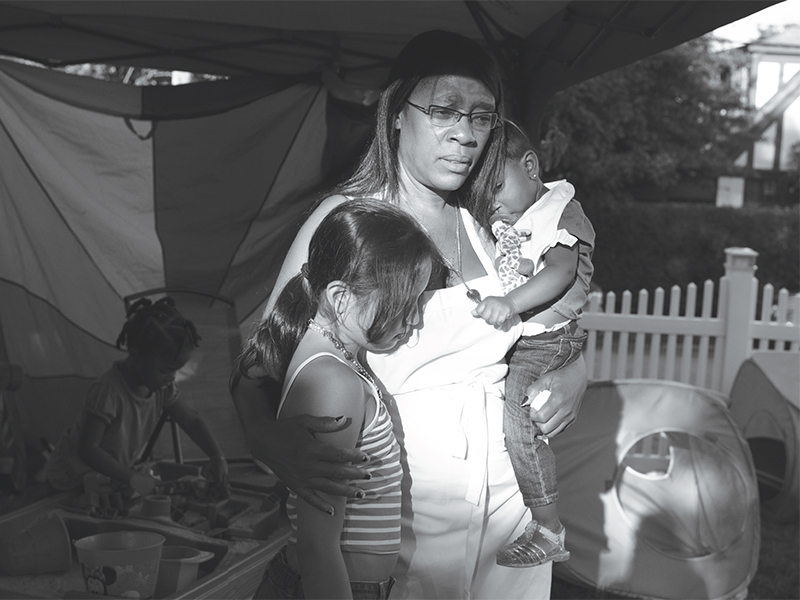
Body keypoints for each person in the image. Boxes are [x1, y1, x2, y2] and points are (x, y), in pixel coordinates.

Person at [231, 30, 588, 599]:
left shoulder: (490, 223)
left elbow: (546, 321)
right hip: (398, 522)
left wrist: (576, 371)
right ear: (396, 112)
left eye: (481, 117)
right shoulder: (346, 221)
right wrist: (266, 439)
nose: (464, 134)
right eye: (444, 110)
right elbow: (261, 361)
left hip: (507, 512)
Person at [238, 199, 439, 600]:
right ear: (340, 298)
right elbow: (317, 546)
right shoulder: (333, 382)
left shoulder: (339, 360)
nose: (416, 319)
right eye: (404, 303)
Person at [472, 121, 595, 568]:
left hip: (547, 343)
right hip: (526, 341)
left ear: (530, 165)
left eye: (498, 186)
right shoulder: (513, 218)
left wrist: (509, 302)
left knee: (520, 423)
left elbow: (560, 271)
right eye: (483, 192)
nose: (493, 201)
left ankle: (548, 528)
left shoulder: (563, 212)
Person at [46, 297, 228, 496]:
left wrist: (216, 456)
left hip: (106, 477)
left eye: (176, 370)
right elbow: (88, 449)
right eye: (166, 370)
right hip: (71, 479)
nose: (172, 377)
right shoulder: (108, 392)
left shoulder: (162, 388)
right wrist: (132, 478)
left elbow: (191, 421)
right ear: (136, 354)